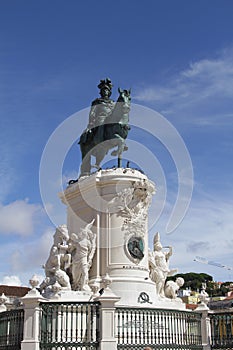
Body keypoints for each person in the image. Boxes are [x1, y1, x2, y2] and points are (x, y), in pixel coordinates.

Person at [69, 220, 96, 291]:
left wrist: (89, 259)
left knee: (84, 272)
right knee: (75, 274)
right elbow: (70, 249)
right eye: (81, 232)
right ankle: (75, 284)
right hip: (76, 259)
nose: (81, 233)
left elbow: (91, 250)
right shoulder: (77, 242)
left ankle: (84, 285)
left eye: (83, 232)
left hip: (84, 258)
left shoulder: (87, 242)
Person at [148, 232, 175, 298]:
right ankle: (156, 293)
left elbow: (170, 254)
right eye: (158, 244)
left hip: (164, 269)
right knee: (160, 279)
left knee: (163, 282)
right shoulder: (154, 253)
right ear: (155, 246)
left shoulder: (163, 253)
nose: (159, 245)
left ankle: (160, 293)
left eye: (160, 244)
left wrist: (171, 248)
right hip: (158, 268)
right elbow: (151, 260)